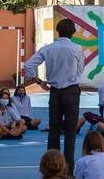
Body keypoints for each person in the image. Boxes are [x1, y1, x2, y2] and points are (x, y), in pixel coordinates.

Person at [22, 17, 84, 170]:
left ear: (58, 32)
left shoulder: (49, 48)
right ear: (73, 33)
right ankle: (68, 168)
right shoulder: (76, 49)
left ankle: (52, 166)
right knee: (70, 131)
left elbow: (29, 65)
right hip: (71, 91)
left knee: (54, 130)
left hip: (55, 92)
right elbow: (80, 70)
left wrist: (39, 81)